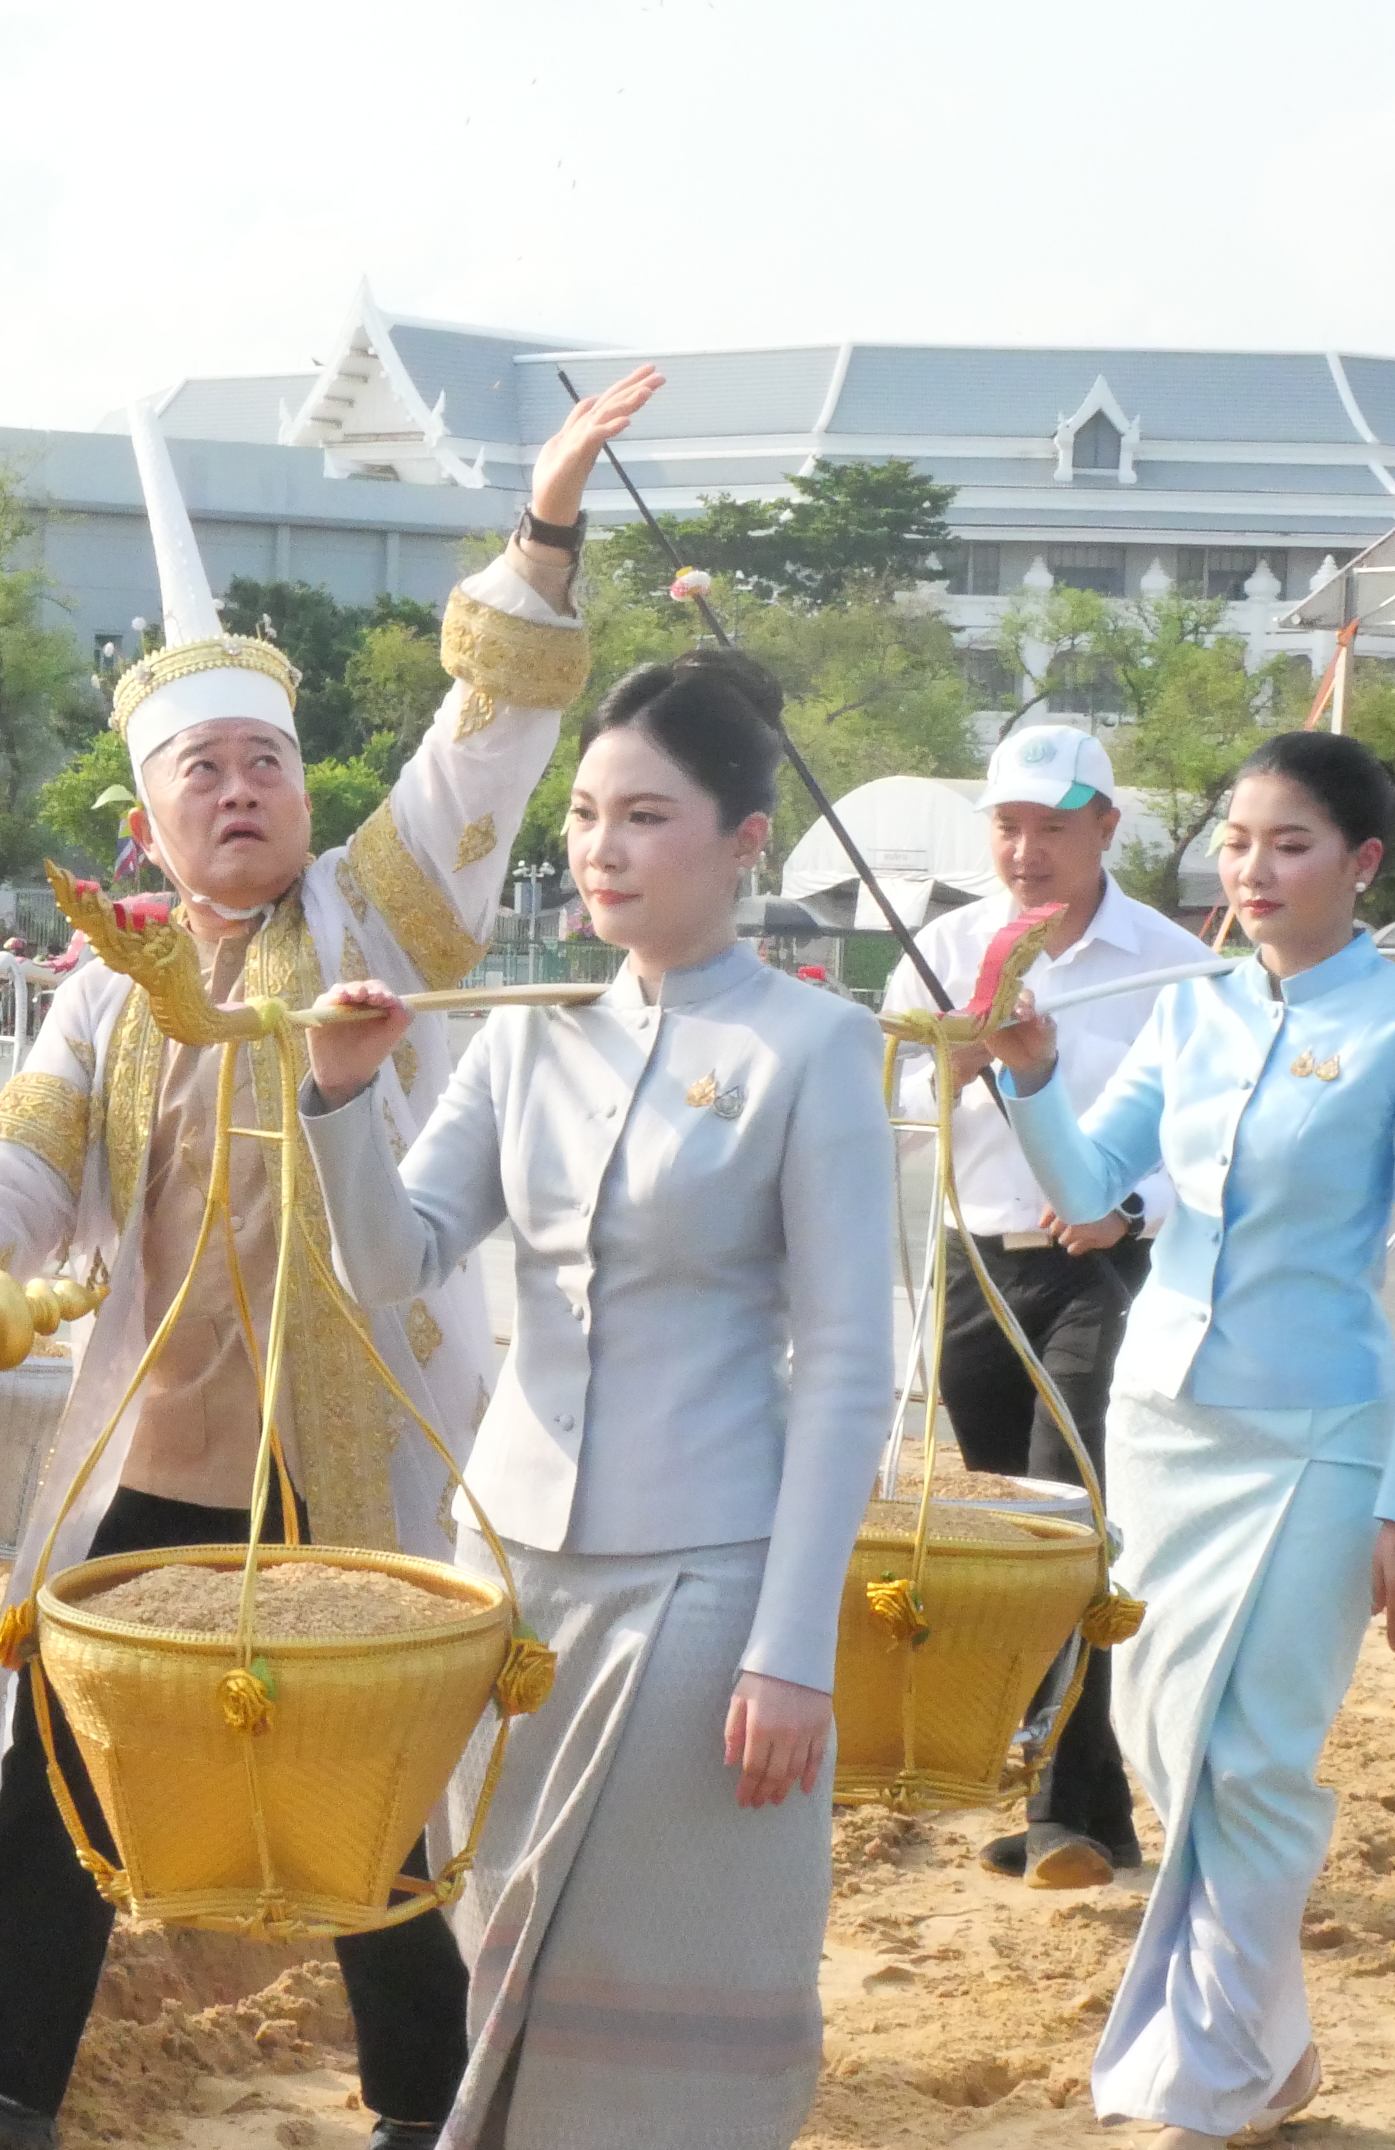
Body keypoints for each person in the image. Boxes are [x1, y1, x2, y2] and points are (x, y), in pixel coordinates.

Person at [0, 366, 658, 2150]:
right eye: (204, 768)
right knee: (67, 1722)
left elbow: (490, 728)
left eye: (267, 760)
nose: (244, 789)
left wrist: (549, 523)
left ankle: (431, 2111)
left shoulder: (389, 901)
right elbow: (20, 1165)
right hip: (172, 1438)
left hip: (360, 1439)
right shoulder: (110, 988)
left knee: (387, 1784)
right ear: (153, 815)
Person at [300, 650, 894, 2150]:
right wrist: (340, 1097)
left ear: (743, 841)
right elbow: (394, 1261)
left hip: (707, 1584)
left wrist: (796, 1647)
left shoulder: (815, 1049)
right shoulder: (525, 1029)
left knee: (660, 1961)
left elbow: (845, 1368)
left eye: (646, 817)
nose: (601, 851)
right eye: (582, 816)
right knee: (500, 1942)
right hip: (502, 1576)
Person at [981, 731, 1395, 2148]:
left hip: (1321, 1436)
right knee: (1156, 1735)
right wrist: (1033, 1078)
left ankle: (1195, 2080)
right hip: (1159, 1424)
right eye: (1238, 843)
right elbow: (1089, 1191)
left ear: (1362, 864)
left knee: (1253, 1756)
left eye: (1290, 845)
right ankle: (1273, 2049)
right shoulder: (1192, 1011)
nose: (1251, 871)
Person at [885, 722, 1201, 1889]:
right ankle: (1081, 1813)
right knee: (1007, 1530)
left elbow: (1203, 1125)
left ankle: (1069, 1816)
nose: (1025, 850)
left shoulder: (1170, 959)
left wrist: (1122, 1196)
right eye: (1009, 826)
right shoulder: (945, 946)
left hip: (1107, 1270)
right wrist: (951, 1062)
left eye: (1053, 827)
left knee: (1068, 1526)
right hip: (979, 1264)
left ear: (1106, 829)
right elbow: (894, 1096)